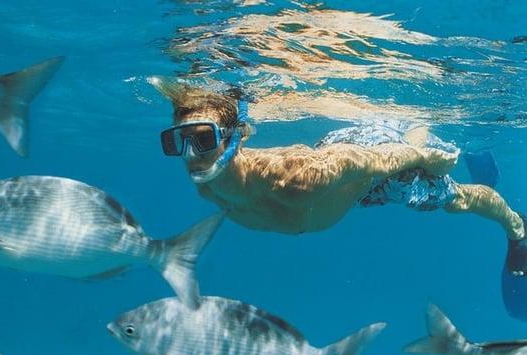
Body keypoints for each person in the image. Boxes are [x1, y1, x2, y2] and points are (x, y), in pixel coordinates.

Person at [150, 77, 527, 320]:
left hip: (367, 167)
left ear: (237, 136)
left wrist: (426, 158)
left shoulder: (295, 179)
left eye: (202, 138)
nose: (189, 155)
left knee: (451, 197)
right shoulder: (207, 185)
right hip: (346, 193)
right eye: (176, 141)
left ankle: (516, 226)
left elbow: (377, 159)